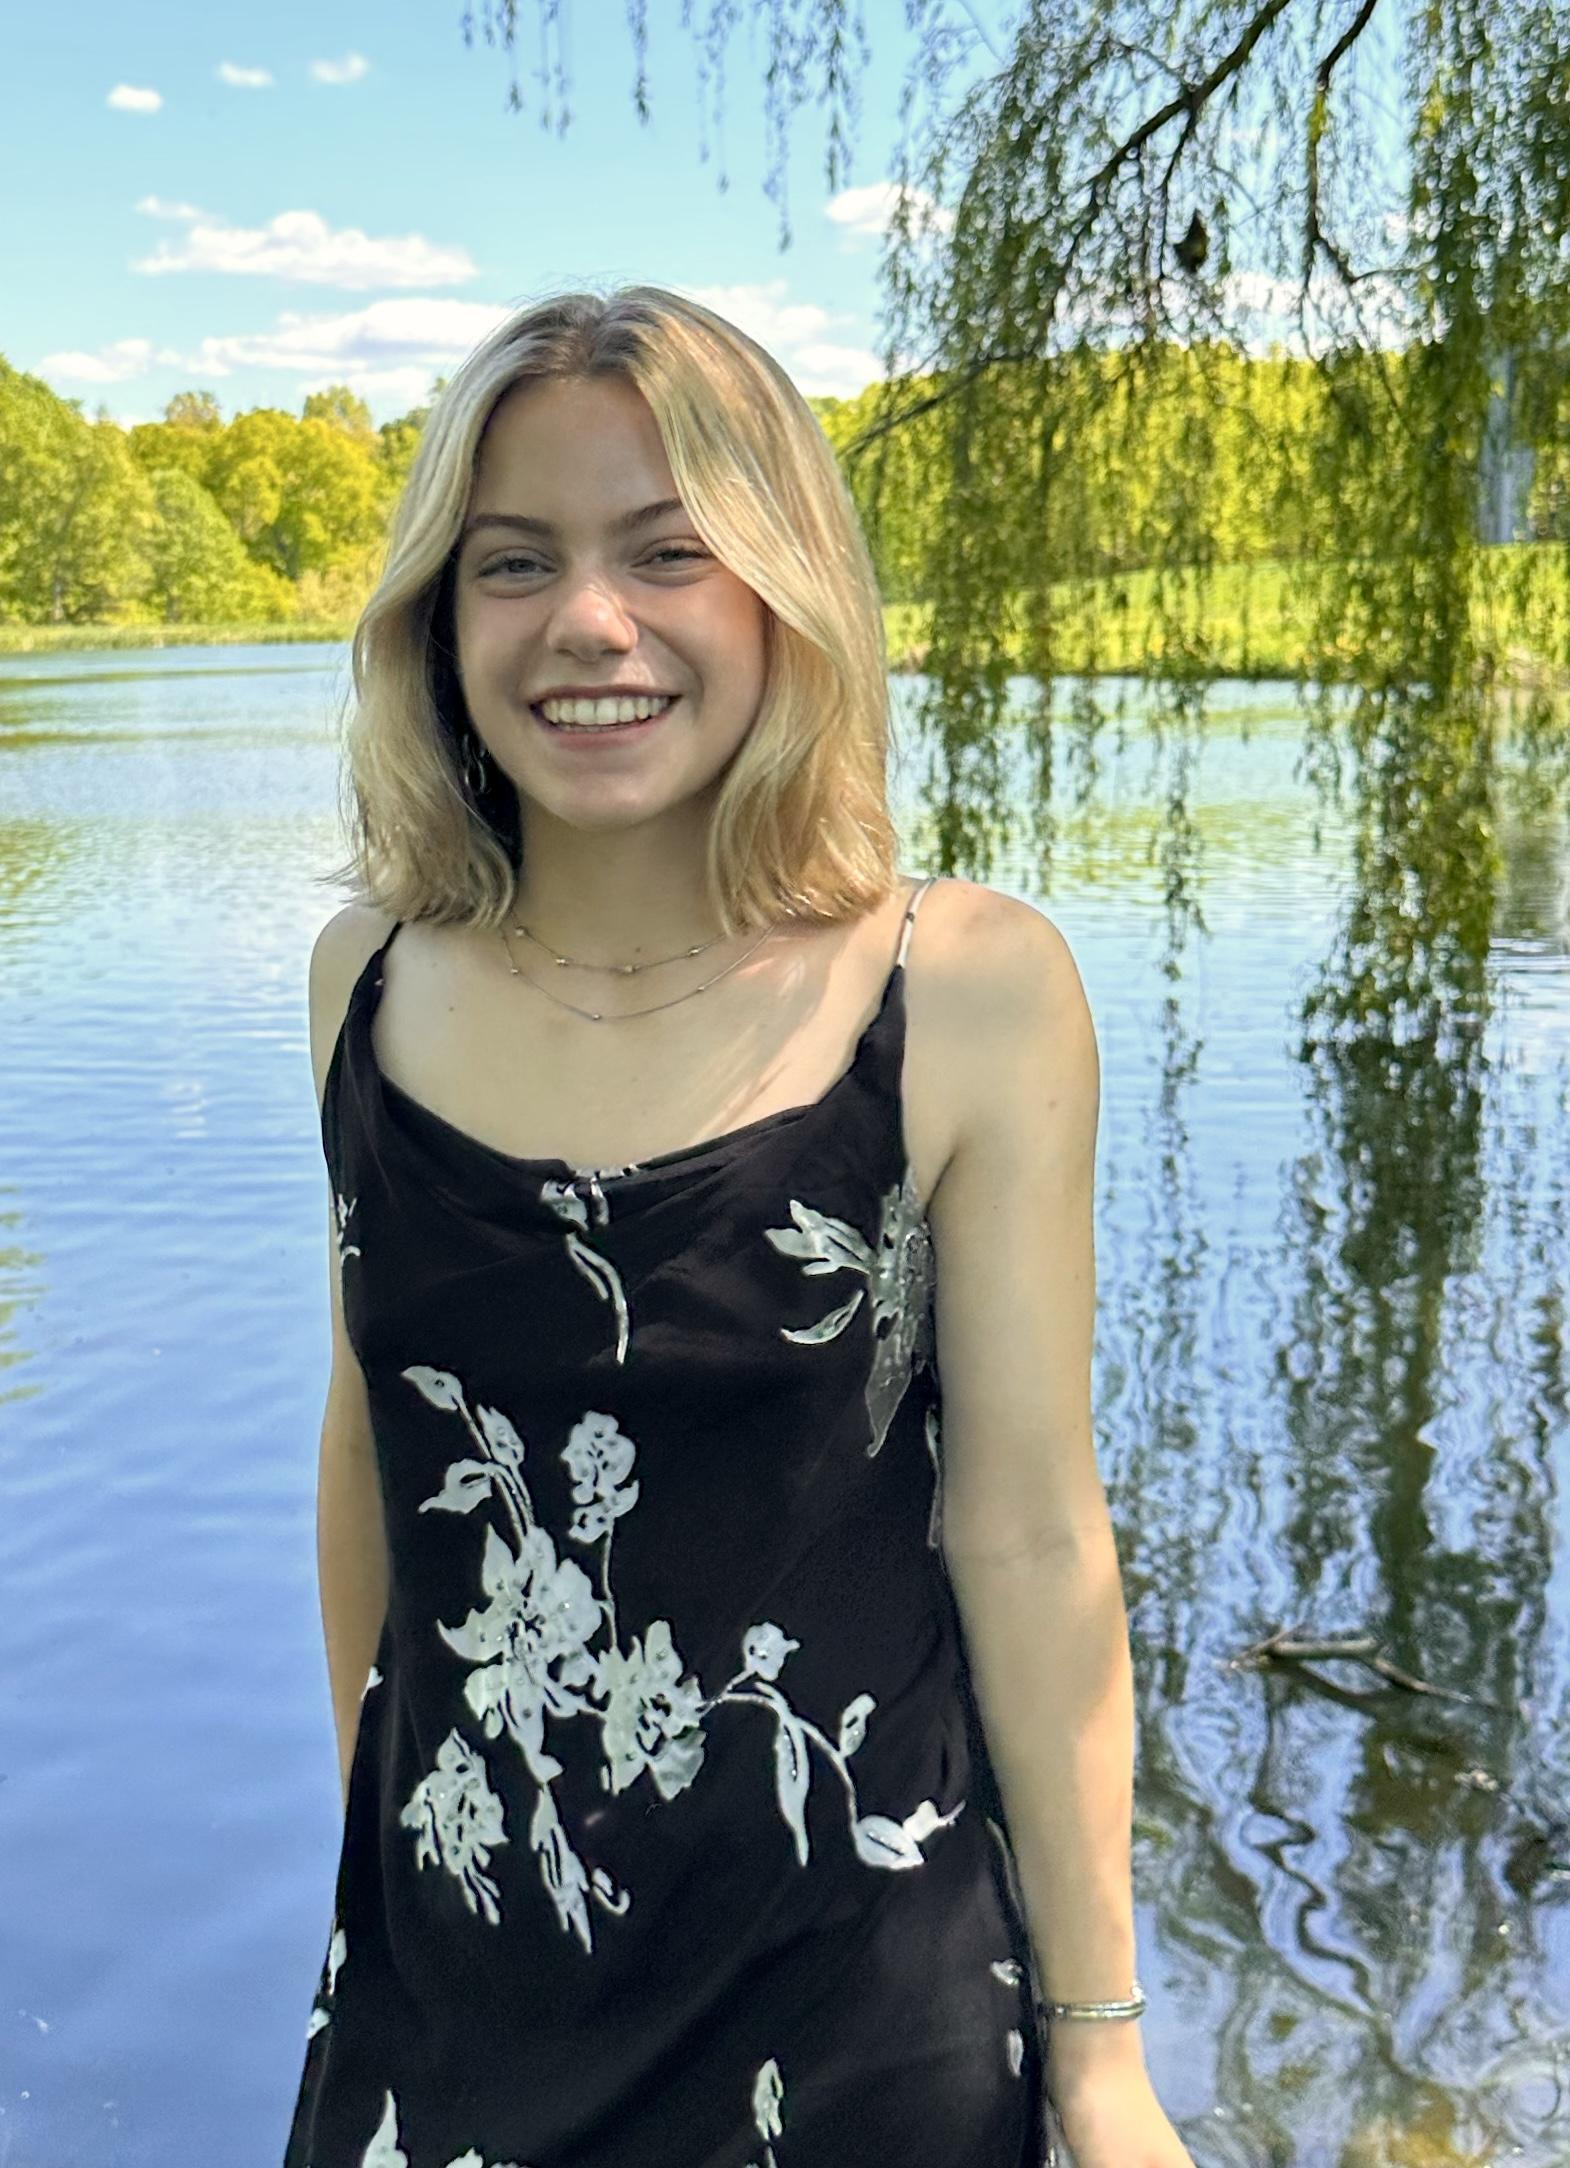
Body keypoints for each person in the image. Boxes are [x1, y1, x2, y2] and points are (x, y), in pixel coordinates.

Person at [285, 287, 1194, 2168]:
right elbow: (372, 1439)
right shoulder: (363, 982)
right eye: (511, 561)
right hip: (461, 1995)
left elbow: (1028, 1531)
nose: (587, 624)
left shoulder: (960, 990)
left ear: (783, 593)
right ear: (439, 623)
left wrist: (1101, 2061)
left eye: (669, 552)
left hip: (854, 2002)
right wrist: (375, 1837)